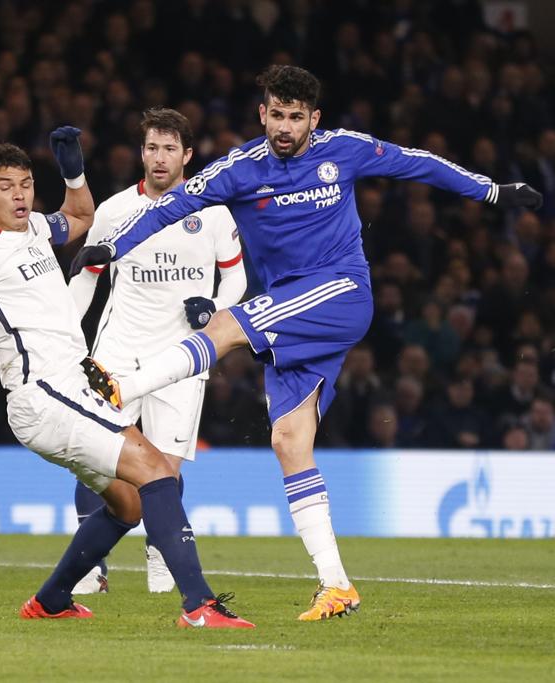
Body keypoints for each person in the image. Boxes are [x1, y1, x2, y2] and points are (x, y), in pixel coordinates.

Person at [71, 64, 543, 621]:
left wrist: (491, 190)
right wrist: (113, 247)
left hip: (342, 290)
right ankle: (336, 584)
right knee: (289, 441)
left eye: (296, 117)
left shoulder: (343, 150)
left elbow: (415, 162)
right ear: (262, 114)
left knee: (222, 327)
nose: (285, 127)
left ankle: (122, 387)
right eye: (277, 115)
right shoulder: (240, 169)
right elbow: (173, 205)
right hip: (292, 314)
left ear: (314, 118)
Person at [0, 130, 253, 629]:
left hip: (73, 384)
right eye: (5, 187)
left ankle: (51, 599)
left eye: (26, 184)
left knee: (128, 504)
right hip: (44, 393)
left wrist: (73, 173)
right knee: (158, 473)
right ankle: (200, 606)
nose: (19, 196)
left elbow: (80, 217)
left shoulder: (36, 228)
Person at [67, 108, 246, 594]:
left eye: (169, 148)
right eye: (152, 148)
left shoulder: (213, 212)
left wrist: (214, 307)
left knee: (165, 467)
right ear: (141, 153)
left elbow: (236, 278)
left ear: (187, 155)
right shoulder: (115, 211)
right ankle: (90, 567)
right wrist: (65, 335)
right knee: (95, 459)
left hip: (183, 356)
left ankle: (159, 553)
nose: (159, 158)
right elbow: (86, 276)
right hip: (118, 352)